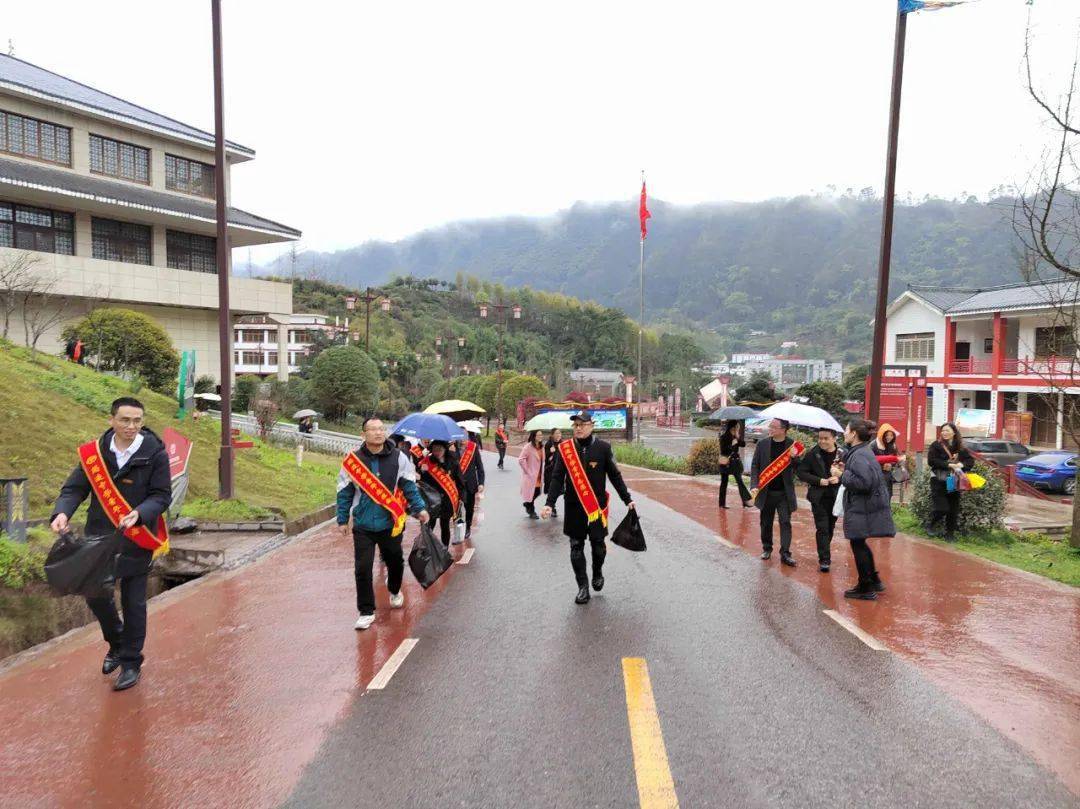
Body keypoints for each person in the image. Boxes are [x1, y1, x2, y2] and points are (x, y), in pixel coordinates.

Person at [50, 397, 172, 691]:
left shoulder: (154, 453)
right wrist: (62, 512)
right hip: (99, 539)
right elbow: (74, 488)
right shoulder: (95, 454)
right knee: (94, 594)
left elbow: (161, 495)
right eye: (125, 420)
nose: (131, 427)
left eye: (137, 421)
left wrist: (140, 513)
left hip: (135, 538)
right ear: (112, 420)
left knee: (134, 603)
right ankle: (116, 640)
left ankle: (131, 662)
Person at [336, 418, 429, 630]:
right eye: (373, 430)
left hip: (390, 522)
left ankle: (395, 589)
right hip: (363, 524)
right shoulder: (353, 461)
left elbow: (408, 485)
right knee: (362, 568)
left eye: (381, 429)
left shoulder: (399, 457)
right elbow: (345, 491)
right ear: (363, 434)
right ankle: (366, 611)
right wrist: (342, 518)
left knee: (395, 562)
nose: (378, 433)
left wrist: (419, 508)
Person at [541, 412, 634, 604]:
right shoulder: (565, 450)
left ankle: (597, 571)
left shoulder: (603, 448)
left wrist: (627, 499)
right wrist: (549, 503)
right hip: (574, 507)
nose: (578, 428)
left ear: (592, 425)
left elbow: (615, 476)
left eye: (582, 424)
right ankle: (582, 587)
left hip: (595, 509)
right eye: (575, 425)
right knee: (576, 546)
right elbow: (557, 477)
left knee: (598, 546)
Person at [832, 419, 895, 600]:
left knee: (857, 543)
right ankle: (873, 580)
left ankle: (866, 587)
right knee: (859, 542)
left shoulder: (859, 454)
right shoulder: (861, 452)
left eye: (846, 430)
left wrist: (841, 475)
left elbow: (863, 482)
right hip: (864, 507)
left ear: (853, 434)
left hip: (863, 507)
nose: (844, 433)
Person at [749, 418, 801, 567]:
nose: (770, 428)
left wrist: (794, 457)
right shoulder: (762, 444)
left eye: (773, 426)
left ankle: (785, 553)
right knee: (766, 522)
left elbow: (799, 468)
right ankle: (767, 548)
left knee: (785, 522)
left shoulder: (792, 445)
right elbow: (755, 466)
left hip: (784, 493)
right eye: (770, 426)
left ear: (783, 429)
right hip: (766, 491)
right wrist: (754, 485)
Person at [797, 428, 842, 572]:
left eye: (826, 438)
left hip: (836, 497)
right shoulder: (813, 453)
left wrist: (839, 478)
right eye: (820, 438)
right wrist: (818, 480)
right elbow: (802, 472)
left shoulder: (842, 454)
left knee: (830, 527)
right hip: (819, 497)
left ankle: (824, 549)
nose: (822, 441)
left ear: (834, 438)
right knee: (822, 527)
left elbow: (851, 472)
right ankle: (825, 559)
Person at [926, 422, 975, 542]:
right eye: (943, 431)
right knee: (942, 508)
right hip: (938, 479)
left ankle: (949, 534)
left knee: (953, 508)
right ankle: (930, 524)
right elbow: (932, 461)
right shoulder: (936, 445)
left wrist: (961, 464)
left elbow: (970, 461)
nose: (944, 433)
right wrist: (949, 464)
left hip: (953, 480)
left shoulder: (960, 447)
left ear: (954, 432)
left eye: (947, 430)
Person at [418, 440, 465, 547]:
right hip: (432, 499)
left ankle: (444, 550)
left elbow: (460, 481)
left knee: (445, 525)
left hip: (447, 499)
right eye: (434, 449)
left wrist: (461, 498)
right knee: (429, 524)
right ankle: (427, 548)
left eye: (440, 449)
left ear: (445, 449)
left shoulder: (453, 462)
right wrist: (422, 471)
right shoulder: (427, 461)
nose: (437, 452)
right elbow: (421, 482)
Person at [457, 431, 485, 540]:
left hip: (470, 484)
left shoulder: (473, 448)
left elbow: (480, 467)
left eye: (465, 435)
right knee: (457, 510)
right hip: (456, 485)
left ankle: (468, 527)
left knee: (469, 508)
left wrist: (481, 483)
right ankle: (458, 529)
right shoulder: (452, 447)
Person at [718, 420, 752, 508]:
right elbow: (723, 451)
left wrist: (737, 437)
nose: (738, 428)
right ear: (732, 427)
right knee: (724, 483)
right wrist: (732, 445)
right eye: (737, 427)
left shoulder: (735, 436)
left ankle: (745, 501)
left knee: (740, 481)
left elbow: (743, 444)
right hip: (726, 462)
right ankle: (722, 504)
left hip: (735, 463)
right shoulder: (724, 437)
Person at [871, 423, 904, 500]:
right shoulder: (873, 445)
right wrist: (882, 466)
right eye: (887, 435)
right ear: (881, 434)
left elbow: (895, 459)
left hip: (887, 477)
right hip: (876, 477)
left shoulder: (892, 445)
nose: (889, 437)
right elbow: (870, 460)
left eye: (891, 435)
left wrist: (891, 464)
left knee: (887, 497)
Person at [518, 430, 545, 519]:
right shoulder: (528, 447)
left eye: (541, 435)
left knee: (537, 492)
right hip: (531, 475)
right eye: (538, 435)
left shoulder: (542, 446)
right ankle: (531, 511)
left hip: (539, 474)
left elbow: (543, 459)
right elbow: (521, 459)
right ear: (534, 436)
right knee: (532, 493)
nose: (541, 437)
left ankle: (527, 504)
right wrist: (528, 471)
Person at [543, 428, 564, 518]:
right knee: (552, 489)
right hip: (550, 471)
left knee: (561, 490)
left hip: (560, 471)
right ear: (552, 435)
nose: (558, 435)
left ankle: (550, 504)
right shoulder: (548, 444)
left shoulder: (563, 444)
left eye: (559, 433)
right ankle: (552, 508)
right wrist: (549, 453)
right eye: (556, 433)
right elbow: (545, 458)